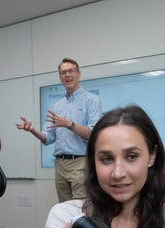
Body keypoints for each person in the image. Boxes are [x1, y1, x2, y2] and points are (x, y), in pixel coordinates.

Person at [16, 58, 102, 202]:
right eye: (63, 72)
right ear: (60, 77)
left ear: (78, 74)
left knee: (80, 209)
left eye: (71, 71)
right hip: (60, 165)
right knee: (64, 209)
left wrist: (69, 124)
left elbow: (94, 134)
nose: (67, 75)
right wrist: (32, 130)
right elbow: (48, 138)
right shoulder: (57, 105)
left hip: (81, 163)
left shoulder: (91, 100)